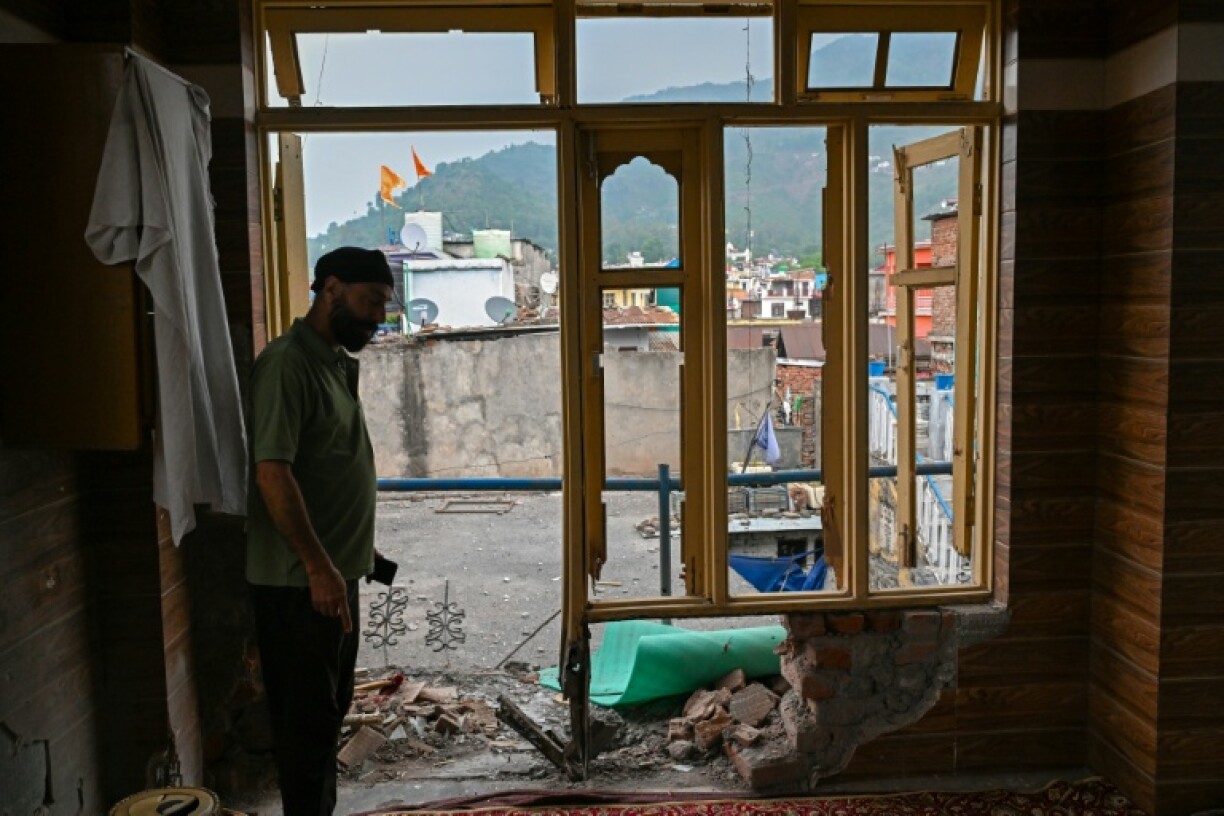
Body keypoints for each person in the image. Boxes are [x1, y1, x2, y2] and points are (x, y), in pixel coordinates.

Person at [246, 246, 393, 816]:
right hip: (299, 584)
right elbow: (272, 472)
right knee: (306, 724)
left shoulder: (332, 359)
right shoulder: (288, 364)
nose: (378, 317)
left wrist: (354, 551)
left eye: (383, 304)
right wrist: (318, 565)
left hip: (332, 576)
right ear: (330, 288)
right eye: (370, 301)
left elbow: (325, 463)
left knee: (326, 713)